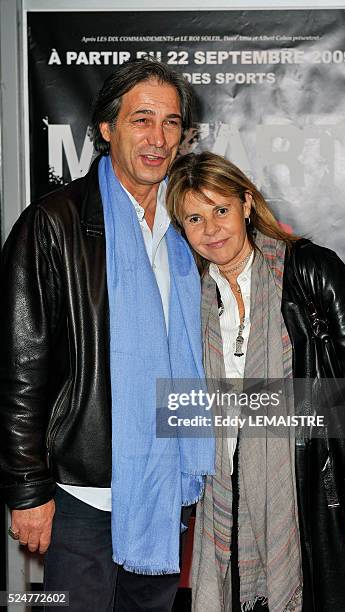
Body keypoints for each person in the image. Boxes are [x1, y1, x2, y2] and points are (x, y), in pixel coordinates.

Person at [0, 60, 214, 612]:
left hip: (167, 484)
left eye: (171, 123)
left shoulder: (189, 225)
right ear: (105, 128)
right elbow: (20, 369)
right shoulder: (53, 223)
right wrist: (30, 490)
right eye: (142, 120)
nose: (158, 138)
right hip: (81, 488)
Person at [166, 151, 345, 612]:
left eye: (221, 210)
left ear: (247, 204)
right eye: (195, 217)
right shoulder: (190, 297)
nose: (211, 229)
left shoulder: (309, 271)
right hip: (224, 497)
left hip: (314, 493)